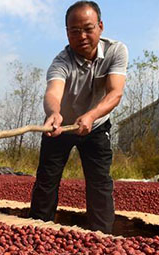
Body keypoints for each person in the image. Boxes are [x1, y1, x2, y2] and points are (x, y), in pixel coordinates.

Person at [30, 1, 127, 234]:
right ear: (67, 33)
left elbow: (116, 93)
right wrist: (54, 113)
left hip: (96, 125)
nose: (81, 36)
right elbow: (53, 92)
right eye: (74, 31)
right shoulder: (61, 61)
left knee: (100, 181)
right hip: (61, 127)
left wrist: (91, 116)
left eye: (88, 28)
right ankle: (37, 231)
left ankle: (101, 236)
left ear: (100, 26)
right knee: (47, 180)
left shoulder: (116, 51)